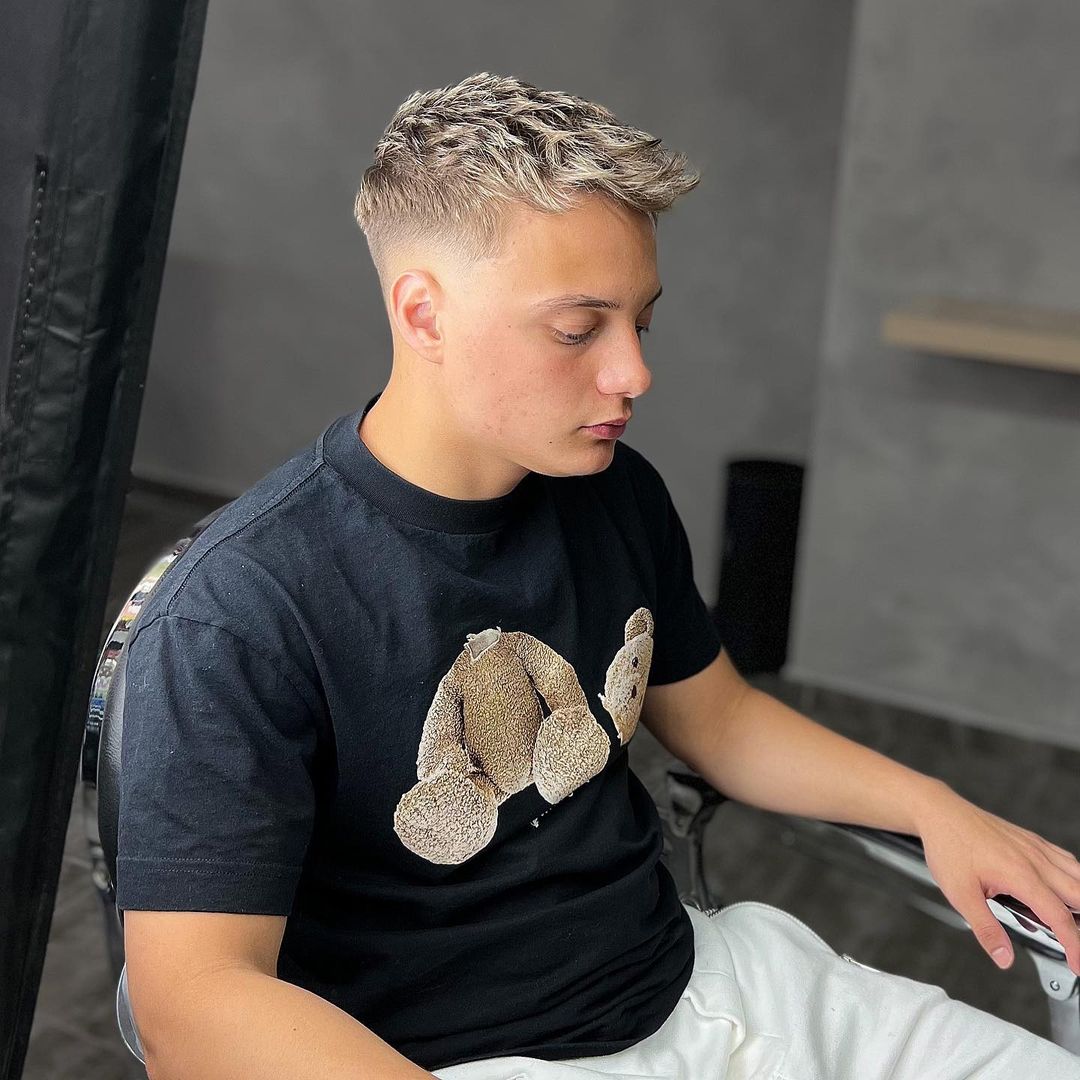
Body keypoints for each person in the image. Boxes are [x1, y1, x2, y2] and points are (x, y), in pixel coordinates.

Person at [117, 71, 1080, 1079]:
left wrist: (934, 805)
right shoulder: (240, 610)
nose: (633, 373)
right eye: (578, 331)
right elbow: (195, 1001)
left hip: (711, 981)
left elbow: (720, 721)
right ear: (424, 313)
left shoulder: (613, 493)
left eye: (641, 323)